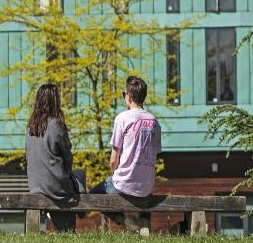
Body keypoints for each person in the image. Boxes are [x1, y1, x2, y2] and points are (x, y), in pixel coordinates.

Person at [90, 76, 162, 232]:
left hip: (124, 185)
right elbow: (155, 154)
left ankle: (122, 220)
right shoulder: (155, 122)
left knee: (93, 195)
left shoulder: (122, 118)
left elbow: (113, 159)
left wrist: (115, 176)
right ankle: (144, 223)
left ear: (128, 96)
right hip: (147, 188)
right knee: (142, 192)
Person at [25, 83, 86, 232]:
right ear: (55, 101)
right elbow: (68, 158)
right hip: (56, 186)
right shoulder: (56, 124)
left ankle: (65, 225)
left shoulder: (29, 127)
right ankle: (80, 212)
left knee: (69, 179)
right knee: (79, 174)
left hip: (35, 185)